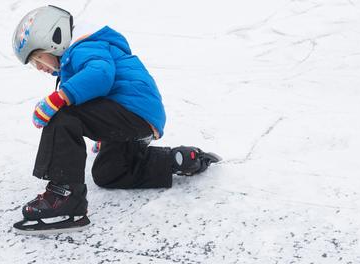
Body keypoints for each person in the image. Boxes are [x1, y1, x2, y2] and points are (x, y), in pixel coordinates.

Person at [11, 5, 221, 235]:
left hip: (132, 111)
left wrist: (57, 99)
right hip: (139, 119)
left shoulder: (84, 46)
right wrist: (107, 132)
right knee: (109, 173)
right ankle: (177, 160)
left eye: (38, 58)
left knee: (63, 116)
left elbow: (100, 76)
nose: (40, 68)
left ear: (54, 40)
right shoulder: (81, 53)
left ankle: (65, 198)